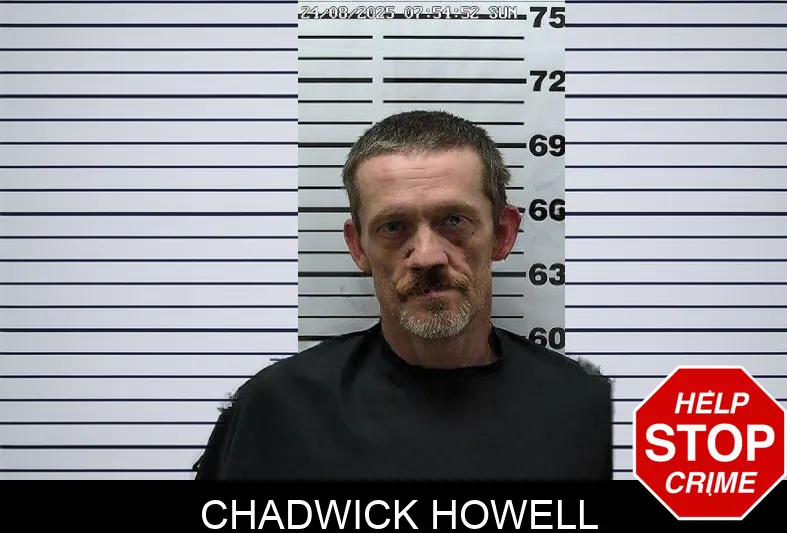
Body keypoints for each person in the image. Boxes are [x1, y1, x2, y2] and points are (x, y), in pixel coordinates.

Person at [194, 110, 613, 480]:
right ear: (358, 247)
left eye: (454, 220)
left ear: (503, 234)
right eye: (393, 227)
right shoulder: (277, 411)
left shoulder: (586, 411)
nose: (427, 256)